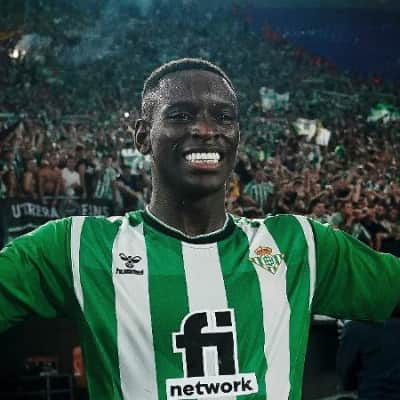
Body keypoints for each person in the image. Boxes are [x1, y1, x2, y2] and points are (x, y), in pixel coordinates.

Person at [0, 58, 399, 400]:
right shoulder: (76, 246)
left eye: (224, 117)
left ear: (237, 137)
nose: (207, 130)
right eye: (181, 115)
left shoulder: (301, 245)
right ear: (142, 136)